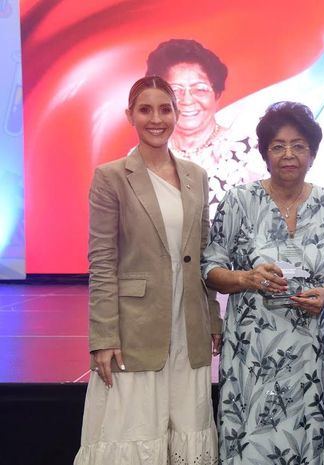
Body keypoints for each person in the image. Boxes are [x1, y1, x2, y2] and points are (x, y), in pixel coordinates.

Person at [74, 76, 222, 465]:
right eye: (145, 109)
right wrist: (103, 335)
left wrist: (213, 319)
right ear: (130, 116)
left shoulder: (197, 176)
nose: (156, 119)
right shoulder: (111, 177)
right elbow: (102, 262)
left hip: (186, 324)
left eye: (164, 109)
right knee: (133, 431)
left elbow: (204, 255)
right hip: (135, 328)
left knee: (187, 426)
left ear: (174, 114)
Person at [202, 101, 324, 465]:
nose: (289, 154)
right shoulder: (240, 201)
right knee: (249, 441)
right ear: (265, 154)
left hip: (308, 351)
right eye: (278, 146)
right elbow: (210, 268)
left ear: (312, 154)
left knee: (306, 441)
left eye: (298, 145)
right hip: (251, 351)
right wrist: (246, 278)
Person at [146, 39, 266, 219]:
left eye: (200, 89)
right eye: (175, 90)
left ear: (216, 94)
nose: (187, 100)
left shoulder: (252, 153)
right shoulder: (142, 157)